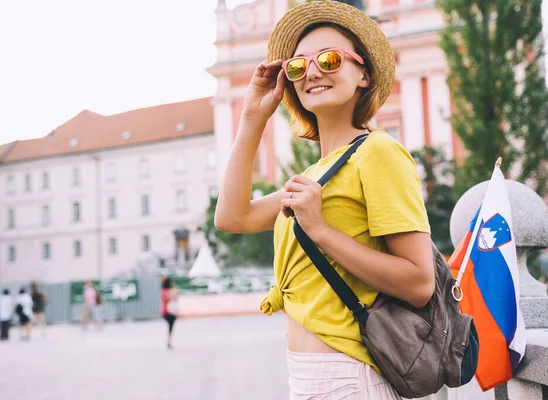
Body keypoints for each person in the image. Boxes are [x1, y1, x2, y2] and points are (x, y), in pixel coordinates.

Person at [214, 2, 434, 398]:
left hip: (349, 377)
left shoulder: (378, 152)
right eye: (297, 66)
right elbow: (232, 217)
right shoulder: (317, 174)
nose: (312, 71)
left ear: (363, 73)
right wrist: (252, 118)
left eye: (329, 59)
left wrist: (320, 230)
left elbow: (419, 282)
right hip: (307, 377)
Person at [160, 277, 179, 349]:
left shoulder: (169, 290)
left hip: (171, 311)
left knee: (171, 327)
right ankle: (169, 341)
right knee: (170, 327)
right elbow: (165, 298)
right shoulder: (165, 291)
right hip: (167, 311)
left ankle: (169, 341)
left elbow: (176, 299)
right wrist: (172, 295)